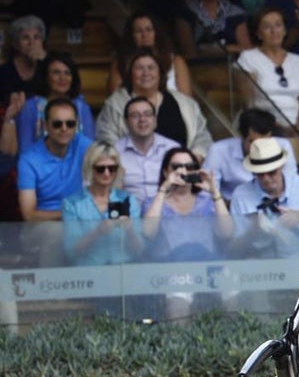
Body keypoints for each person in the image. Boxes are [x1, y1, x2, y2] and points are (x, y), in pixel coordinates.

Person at [142, 147, 231, 317]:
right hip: (173, 269)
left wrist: (214, 192)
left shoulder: (207, 201)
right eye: (176, 167)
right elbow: (148, 232)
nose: (183, 171)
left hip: (210, 266)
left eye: (189, 167)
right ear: (165, 171)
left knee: (234, 292)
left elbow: (227, 233)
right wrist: (163, 189)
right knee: (178, 302)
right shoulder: (154, 202)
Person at [97, 50, 212, 158]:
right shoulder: (114, 104)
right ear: (130, 74)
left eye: (151, 67)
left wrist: (195, 157)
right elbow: (106, 139)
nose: (146, 72)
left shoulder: (186, 104)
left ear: (160, 73)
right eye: (139, 68)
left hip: (181, 170)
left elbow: (202, 136)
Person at [228, 136, 299, 258]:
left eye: (271, 172)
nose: (266, 178)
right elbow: (231, 253)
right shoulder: (241, 195)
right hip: (262, 270)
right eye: (260, 174)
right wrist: (253, 231)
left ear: (282, 167)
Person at [61, 141, 142, 265]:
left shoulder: (127, 200)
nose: (107, 173)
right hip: (89, 274)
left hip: (122, 272)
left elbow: (140, 251)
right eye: (100, 169)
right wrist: (97, 232)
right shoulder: (72, 203)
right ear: (90, 168)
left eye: (112, 168)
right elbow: (71, 252)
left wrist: (129, 229)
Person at [4, 52, 95, 158]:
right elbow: (26, 150)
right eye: (56, 73)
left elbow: (90, 149)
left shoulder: (82, 107)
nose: (62, 78)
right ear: (46, 76)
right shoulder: (30, 107)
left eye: (67, 73)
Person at [235, 8, 299, 134]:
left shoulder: (297, 60)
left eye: (278, 25)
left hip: (296, 129)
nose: (274, 31)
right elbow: (249, 104)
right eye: (267, 27)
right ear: (258, 34)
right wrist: (278, 128)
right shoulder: (248, 57)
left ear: (285, 30)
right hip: (262, 127)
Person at [17, 97, 91, 222]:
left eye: (70, 123)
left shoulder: (82, 144)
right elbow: (29, 214)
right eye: (57, 124)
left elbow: (111, 164)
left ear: (76, 125)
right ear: (46, 126)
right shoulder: (28, 160)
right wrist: (72, 213)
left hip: (81, 223)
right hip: (44, 226)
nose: (64, 128)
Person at [202, 107, 297, 202]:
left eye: (265, 141)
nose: (260, 147)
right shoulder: (218, 150)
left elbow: (291, 185)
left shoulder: (283, 146)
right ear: (241, 136)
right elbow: (206, 192)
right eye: (253, 142)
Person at [107, 12, 192, 97]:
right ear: (131, 36)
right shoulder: (120, 63)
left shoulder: (176, 61)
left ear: (157, 32)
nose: (144, 35)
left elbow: (186, 99)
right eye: (138, 31)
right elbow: (115, 98)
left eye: (149, 30)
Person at [113, 95, 180, 203]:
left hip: (167, 212)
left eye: (148, 114)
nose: (142, 119)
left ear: (155, 120)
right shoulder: (114, 152)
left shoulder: (173, 149)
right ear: (126, 122)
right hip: (130, 215)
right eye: (135, 116)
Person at [0, 15, 47, 104]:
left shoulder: (49, 66)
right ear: (15, 44)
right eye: (25, 38)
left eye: (36, 37)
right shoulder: (3, 72)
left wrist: (47, 61)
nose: (31, 43)